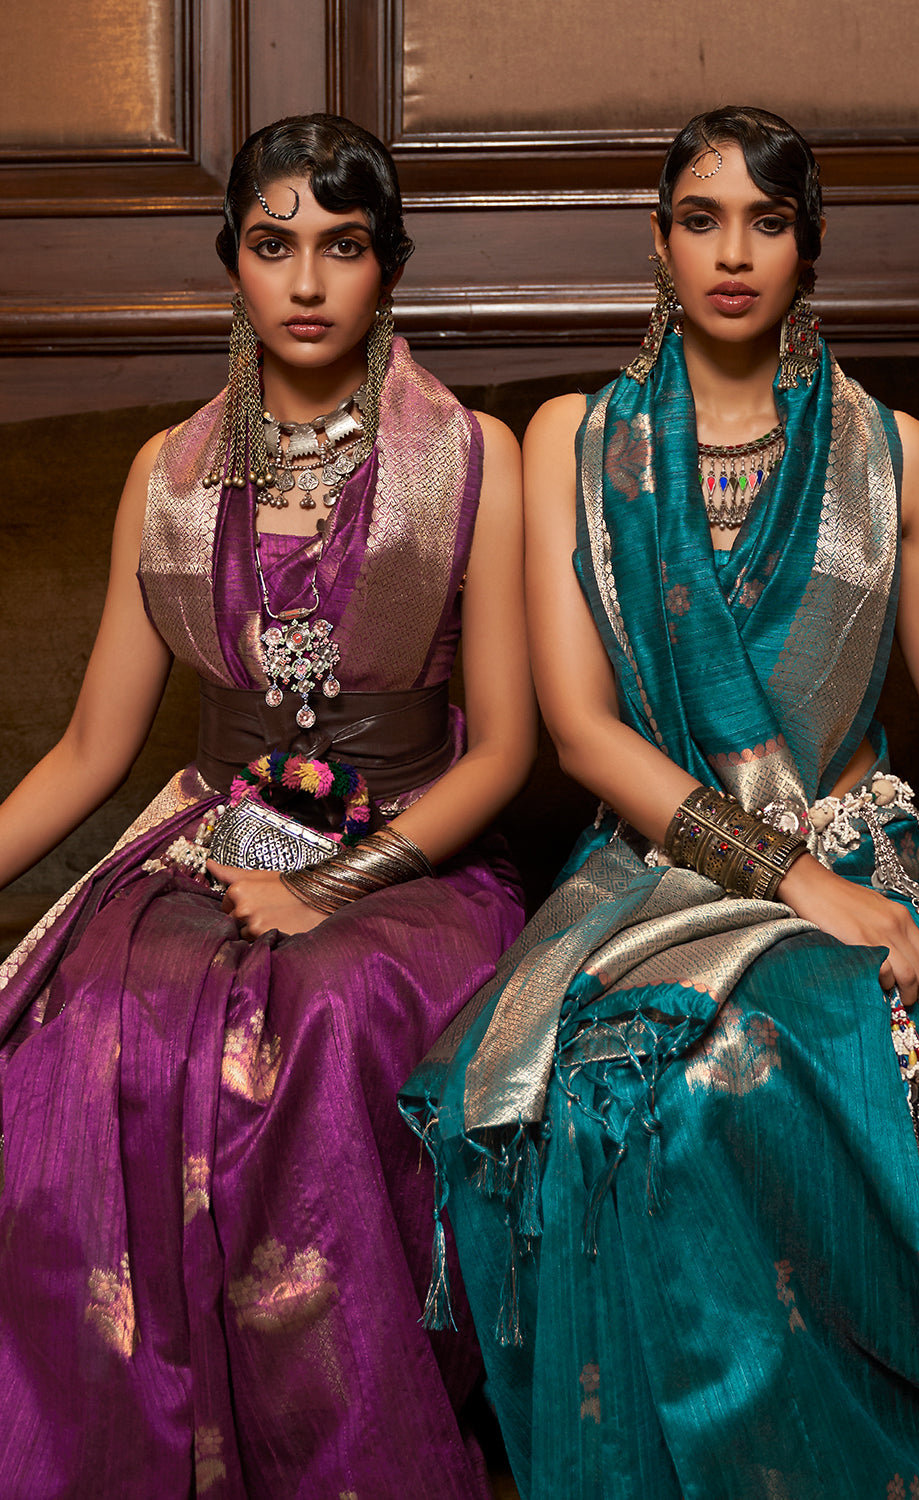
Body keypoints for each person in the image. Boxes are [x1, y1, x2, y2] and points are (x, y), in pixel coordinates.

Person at [402, 106, 919, 1498]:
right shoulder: (577, 441)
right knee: (591, 1092)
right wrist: (794, 883)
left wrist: (840, 887)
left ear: (810, 247)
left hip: (866, 863)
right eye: (701, 219)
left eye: (767, 223)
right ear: (658, 242)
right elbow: (581, 733)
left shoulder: (893, 457)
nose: (733, 254)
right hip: (656, 873)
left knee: (751, 1063)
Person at [0, 114, 534, 1497]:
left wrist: (327, 889)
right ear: (230, 261)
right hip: (210, 839)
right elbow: (91, 750)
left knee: (323, 1016)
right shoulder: (166, 478)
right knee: (100, 1020)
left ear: (390, 266)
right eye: (272, 244)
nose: (305, 282)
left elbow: (505, 753)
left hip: (413, 860)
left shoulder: (475, 458)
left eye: (342, 247)